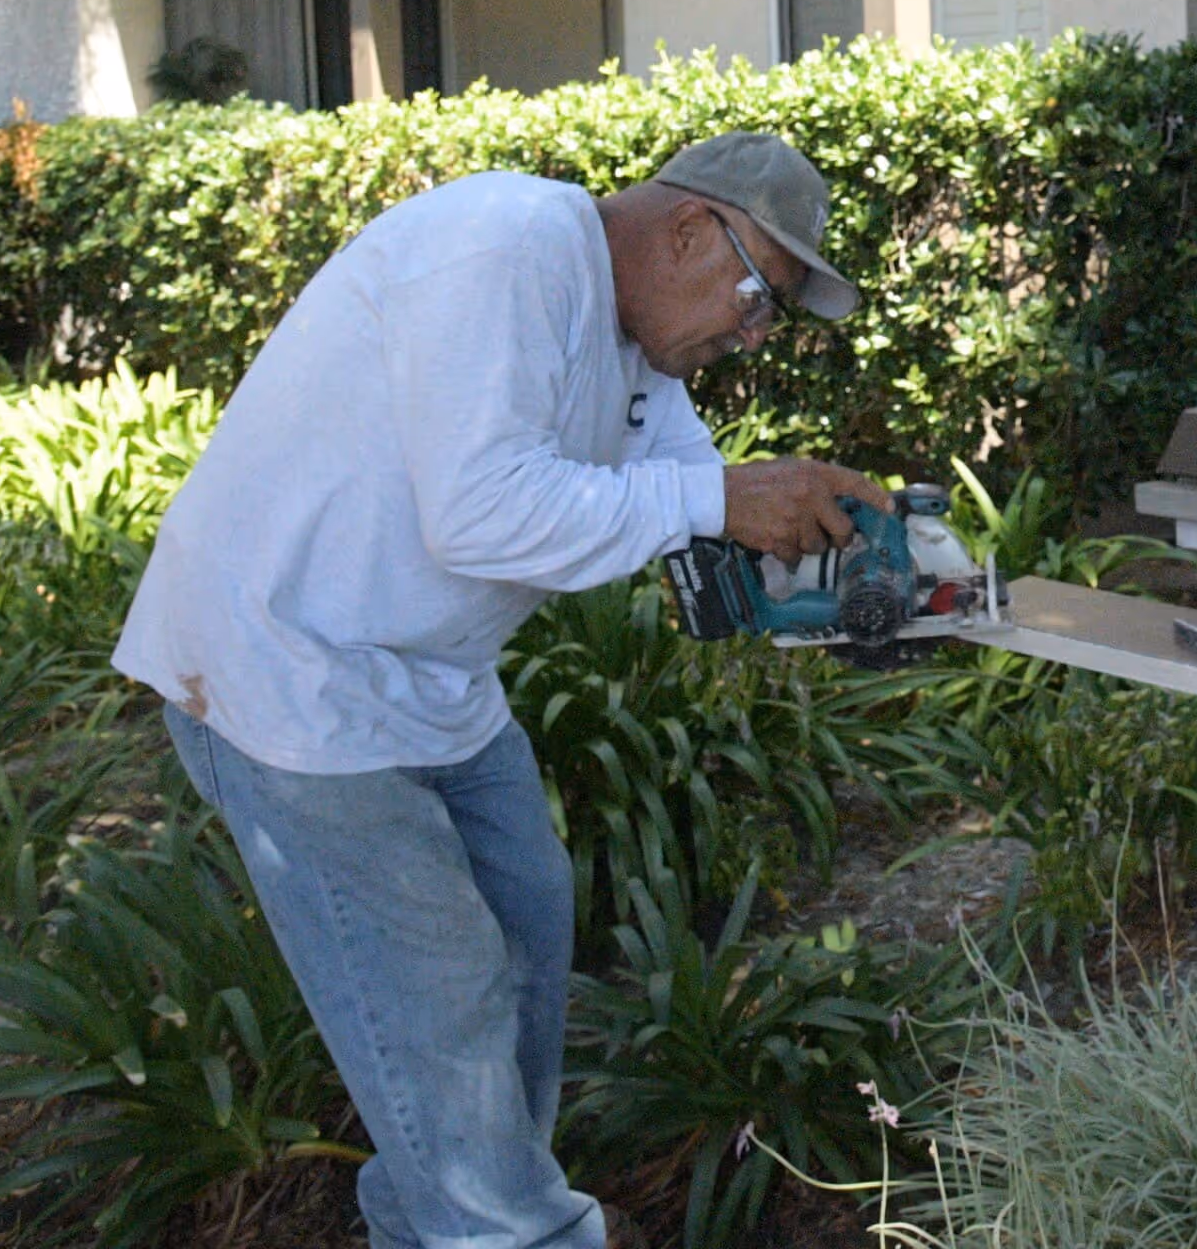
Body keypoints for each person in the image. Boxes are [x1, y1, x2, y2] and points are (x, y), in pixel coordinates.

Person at [113, 131, 888, 1249]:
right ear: (686, 228)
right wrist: (719, 502)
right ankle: (507, 1231)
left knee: (525, 938)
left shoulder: (639, 354)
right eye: (759, 295)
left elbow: (689, 506)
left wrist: (848, 580)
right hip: (288, 673)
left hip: (431, 683)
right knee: (444, 1003)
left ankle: (448, 1219)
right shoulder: (507, 247)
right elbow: (482, 511)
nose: (753, 332)